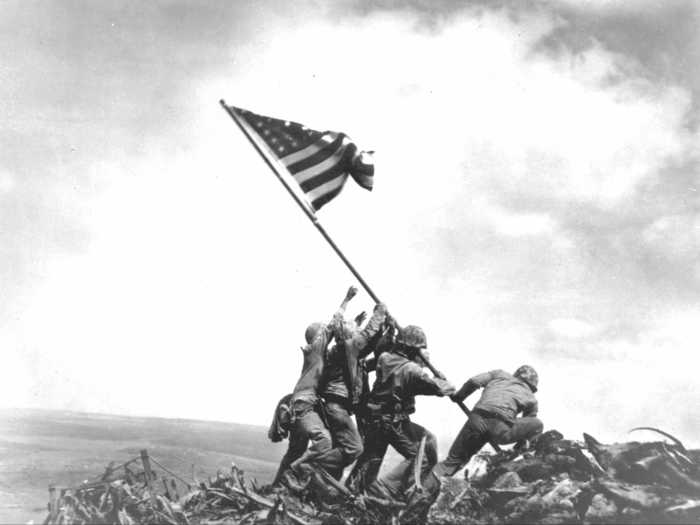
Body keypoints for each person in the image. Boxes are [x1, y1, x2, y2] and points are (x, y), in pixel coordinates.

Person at [346, 325, 455, 499]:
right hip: (392, 422)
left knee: (373, 458)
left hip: (375, 417)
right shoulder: (413, 370)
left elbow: (387, 358)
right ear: (412, 349)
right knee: (421, 459)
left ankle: (351, 491)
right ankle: (388, 491)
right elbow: (443, 389)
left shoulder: (384, 358)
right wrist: (442, 379)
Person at [276, 286, 358, 491]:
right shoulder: (316, 350)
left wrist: (356, 324)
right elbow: (332, 325)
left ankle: (277, 486)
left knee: (295, 448)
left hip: (302, 403)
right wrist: (346, 299)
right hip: (304, 404)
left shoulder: (316, 354)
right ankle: (296, 471)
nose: (327, 334)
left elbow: (336, 333)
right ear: (317, 337)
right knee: (324, 441)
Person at [423, 365, 543, 494]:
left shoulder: (499, 374)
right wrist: (519, 447)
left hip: (476, 420)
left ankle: (420, 490)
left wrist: (459, 396)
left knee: (452, 462)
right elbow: (528, 424)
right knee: (537, 424)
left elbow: (474, 382)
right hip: (500, 428)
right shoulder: (531, 398)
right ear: (532, 386)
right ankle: (520, 456)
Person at [310, 300, 389, 480]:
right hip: (336, 407)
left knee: (341, 449)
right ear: (348, 336)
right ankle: (309, 466)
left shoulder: (346, 353)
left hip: (337, 407)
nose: (358, 334)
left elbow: (369, 348)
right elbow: (366, 337)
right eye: (355, 332)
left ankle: (322, 486)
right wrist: (379, 313)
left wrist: (385, 329)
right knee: (354, 448)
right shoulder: (345, 349)